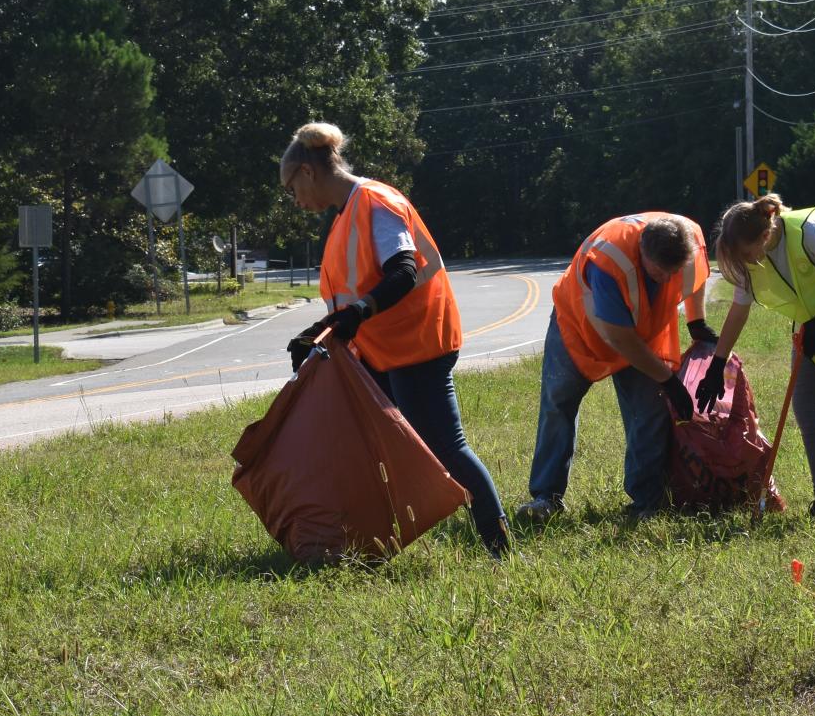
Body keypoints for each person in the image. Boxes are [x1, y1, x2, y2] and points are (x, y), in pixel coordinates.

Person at [280, 122, 510, 558]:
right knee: (378, 446)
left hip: (418, 345)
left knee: (447, 447)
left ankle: (499, 546)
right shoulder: (346, 216)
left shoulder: (375, 202)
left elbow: (403, 270)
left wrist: (358, 313)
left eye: (291, 189)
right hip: (385, 351)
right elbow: (352, 298)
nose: (295, 201)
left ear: (308, 172)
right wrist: (318, 331)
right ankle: (372, 543)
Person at [519, 213, 712, 522]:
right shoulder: (609, 263)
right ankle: (546, 497)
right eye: (661, 272)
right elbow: (620, 338)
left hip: (643, 330)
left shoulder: (687, 241)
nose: (667, 278)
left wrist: (696, 322)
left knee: (649, 411)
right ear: (643, 255)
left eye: (674, 271)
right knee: (559, 404)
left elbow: (697, 276)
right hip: (580, 329)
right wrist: (668, 380)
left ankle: (646, 502)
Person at [703, 195, 815, 518]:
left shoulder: (809, 231)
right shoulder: (751, 262)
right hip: (812, 324)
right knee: (806, 407)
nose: (746, 262)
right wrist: (717, 363)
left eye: (747, 254)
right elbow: (738, 311)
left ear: (764, 235)